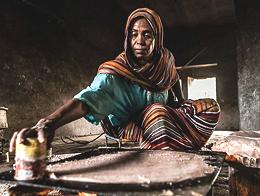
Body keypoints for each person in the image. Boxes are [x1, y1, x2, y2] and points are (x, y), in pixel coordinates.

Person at [9, 8, 220, 152]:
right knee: (157, 113)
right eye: (134, 34)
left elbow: (173, 79)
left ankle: (169, 141)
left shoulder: (166, 60)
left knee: (209, 107)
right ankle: (167, 150)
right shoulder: (115, 73)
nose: (140, 41)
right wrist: (49, 123)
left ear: (158, 39)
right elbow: (87, 99)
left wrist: (179, 103)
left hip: (162, 119)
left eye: (148, 35)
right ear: (127, 38)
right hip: (128, 126)